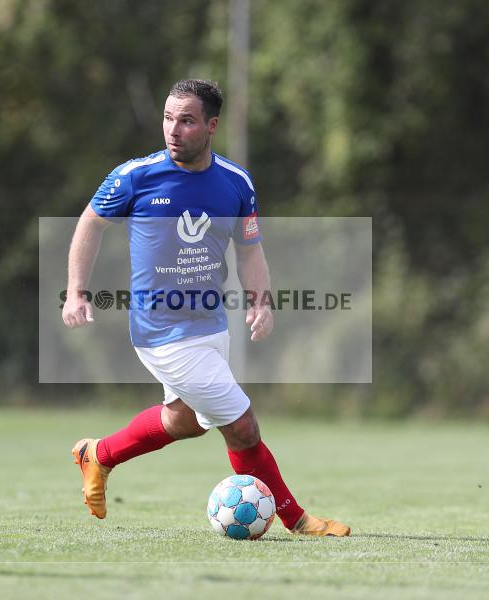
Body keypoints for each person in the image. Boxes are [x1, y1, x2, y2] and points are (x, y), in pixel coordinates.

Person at [63, 78, 350, 537]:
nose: (173, 130)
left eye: (187, 120)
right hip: (160, 332)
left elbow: (250, 249)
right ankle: (295, 518)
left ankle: (98, 454)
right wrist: (76, 290)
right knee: (242, 427)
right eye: (168, 118)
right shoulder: (134, 176)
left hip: (212, 326)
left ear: (212, 126)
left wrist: (260, 301)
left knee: (185, 421)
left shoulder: (235, 183)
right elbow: (90, 223)